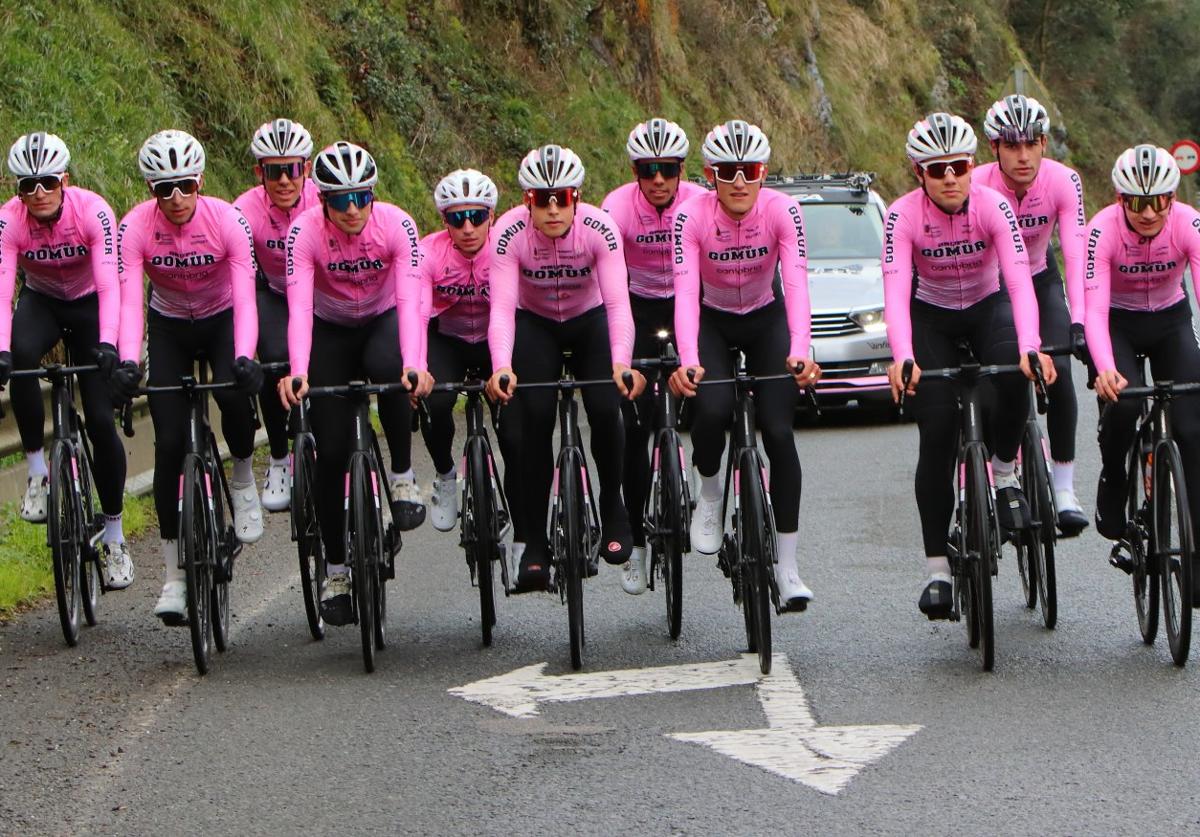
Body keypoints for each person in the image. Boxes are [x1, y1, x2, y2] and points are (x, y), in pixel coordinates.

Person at [882, 112, 1055, 619]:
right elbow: (894, 293)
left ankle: (1004, 474)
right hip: (930, 317)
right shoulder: (902, 216)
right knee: (936, 430)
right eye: (938, 170)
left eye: (959, 165)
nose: (951, 177)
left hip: (988, 306)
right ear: (920, 174)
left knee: (1012, 379)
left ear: (972, 164)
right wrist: (903, 357)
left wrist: (1030, 345)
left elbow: (1020, 280)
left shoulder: (993, 204)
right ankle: (937, 568)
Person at [668, 119, 818, 611]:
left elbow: (795, 281)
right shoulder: (690, 217)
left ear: (763, 173)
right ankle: (710, 491)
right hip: (712, 320)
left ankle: (788, 567)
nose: (738, 182)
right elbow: (685, 294)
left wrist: (802, 348)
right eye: (727, 171)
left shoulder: (783, 210)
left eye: (748, 171)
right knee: (710, 411)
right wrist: (689, 360)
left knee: (778, 432)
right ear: (710, 174)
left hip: (765, 317)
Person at [114, 129, 263, 623]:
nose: (176, 199)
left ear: (199, 181)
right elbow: (130, 300)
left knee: (235, 401)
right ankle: (175, 577)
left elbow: (245, 293)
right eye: (163, 189)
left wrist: (244, 355)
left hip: (222, 319)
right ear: (151, 191)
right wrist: (129, 358)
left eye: (184, 186)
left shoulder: (227, 220)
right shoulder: (135, 227)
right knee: (169, 444)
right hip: (170, 324)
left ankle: (242, 480)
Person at [278, 141, 428, 625]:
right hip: (330, 328)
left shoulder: (397, 224)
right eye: (339, 200)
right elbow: (299, 306)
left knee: (394, 372)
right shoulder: (303, 233)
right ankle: (337, 568)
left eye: (360, 197)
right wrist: (298, 369)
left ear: (372, 195)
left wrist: (415, 362)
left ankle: (403, 477)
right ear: (321, 201)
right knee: (333, 449)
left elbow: (410, 300)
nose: (352, 209)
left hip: (383, 318)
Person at [485, 144, 643, 593]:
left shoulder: (600, 228)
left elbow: (617, 303)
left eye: (562, 197)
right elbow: (501, 310)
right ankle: (534, 539)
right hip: (536, 323)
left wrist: (621, 362)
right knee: (534, 418)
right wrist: (501, 367)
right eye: (541, 199)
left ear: (576, 197)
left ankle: (613, 506)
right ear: (526, 200)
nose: (552, 208)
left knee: (603, 403)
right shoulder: (507, 234)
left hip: (590, 321)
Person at [0, 132, 133, 588]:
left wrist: (111, 345)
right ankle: (38, 472)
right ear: (17, 189)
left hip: (91, 303)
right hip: (42, 302)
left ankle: (114, 536)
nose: (38, 192)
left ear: (65, 181)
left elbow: (112, 285)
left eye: (48, 182)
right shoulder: (9, 221)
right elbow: (2, 293)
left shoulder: (92, 210)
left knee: (99, 419)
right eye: (27, 185)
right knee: (19, 355)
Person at [1084, 144, 1200, 597]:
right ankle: (1114, 474)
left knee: (1192, 430)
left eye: (1158, 201)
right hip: (1118, 323)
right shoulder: (1102, 231)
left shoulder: (1189, 224)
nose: (1148, 212)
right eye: (1136, 202)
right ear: (1120, 200)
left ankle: (1195, 551)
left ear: (1172, 199)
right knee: (1126, 402)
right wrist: (1107, 369)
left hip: (1171, 320)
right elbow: (1092, 311)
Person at [601, 117, 707, 595]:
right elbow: (608, 282)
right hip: (638, 307)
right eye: (648, 170)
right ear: (635, 171)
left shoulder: (701, 202)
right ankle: (638, 544)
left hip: (693, 301)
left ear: (681, 169)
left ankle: (704, 481)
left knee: (710, 399)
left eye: (667, 169)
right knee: (634, 427)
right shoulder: (616, 207)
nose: (659, 179)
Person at [975, 94, 1089, 536]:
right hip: (993, 285)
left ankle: (1063, 490)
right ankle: (1000, 471)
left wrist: (1078, 320)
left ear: (1044, 144)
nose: (1023, 155)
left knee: (1057, 367)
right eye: (1011, 145)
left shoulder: (1063, 181)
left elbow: (1077, 254)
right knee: (1008, 374)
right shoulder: (979, 184)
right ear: (995, 149)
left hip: (1041, 278)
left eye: (1031, 144)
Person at [234, 118, 320, 513]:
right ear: (259, 173)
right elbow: (237, 276)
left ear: (306, 168)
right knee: (270, 361)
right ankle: (281, 459)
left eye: (293, 169)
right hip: (271, 292)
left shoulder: (326, 200)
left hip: (322, 293)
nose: (285, 180)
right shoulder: (244, 210)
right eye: (274, 171)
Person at [416, 169, 504, 532]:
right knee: (435, 403)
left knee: (515, 417)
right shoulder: (427, 252)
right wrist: (415, 366)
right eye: (457, 218)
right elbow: (416, 314)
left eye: (477, 216)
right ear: (444, 222)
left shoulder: (506, 247)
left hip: (495, 339)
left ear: (492, 218)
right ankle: (444, 474)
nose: (468, 227)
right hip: (447, 339)